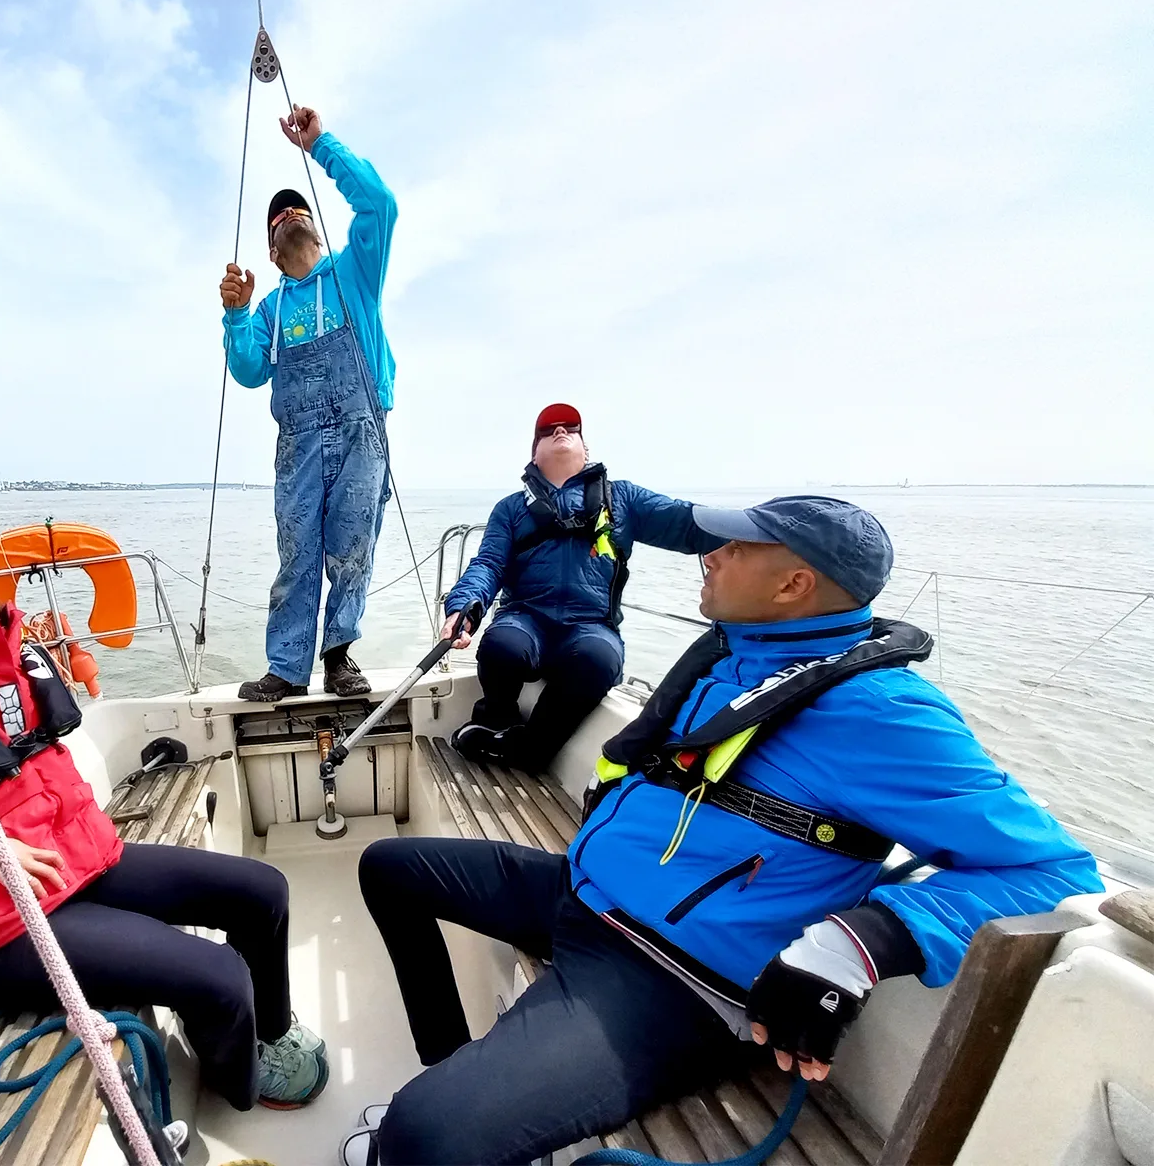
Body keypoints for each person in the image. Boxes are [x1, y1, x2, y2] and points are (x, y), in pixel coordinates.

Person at [350, 497, 1102, 1164]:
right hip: (585, 895)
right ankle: (450, 1064)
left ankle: (452, 1111)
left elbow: (1055, 874)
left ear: (794, 584)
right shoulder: (739, 655)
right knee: (389, 867)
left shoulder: (881, 712)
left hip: (669, 977)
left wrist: (864, 939)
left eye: (737, 547)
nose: (710, 553)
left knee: (422, 1136)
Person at [0, 558, 328, 1112]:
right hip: (3, 922)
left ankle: (270, 1035)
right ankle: (244, 1085)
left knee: (262, 891)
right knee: (220, 975)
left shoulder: (21, 663)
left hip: (84, 863)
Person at [219, 103, 398, 703]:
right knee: (296, 551)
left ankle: (339, 655)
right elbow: (247, 370)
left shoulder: (355, 273)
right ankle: (286, 667)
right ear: (272, 251)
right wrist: (237, 311)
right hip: (296, 440)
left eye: (297, 210)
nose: (288, 217)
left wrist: (320, 144)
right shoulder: (270, 307)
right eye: (276, 219)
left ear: (316, 228)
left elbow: (380, 205)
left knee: (352, 546)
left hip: (360, 431)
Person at [440, 403, 722, 774]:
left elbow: (688, 523)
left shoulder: (624, 499)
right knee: (500, 646)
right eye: (548, 430)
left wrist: (757, 532)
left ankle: (530, 749)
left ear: (585, 449)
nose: (560, 431)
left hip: (591, 624)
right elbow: (488, 564)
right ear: (534, 454)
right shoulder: (510, 509)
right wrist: (466, 605)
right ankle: (495, 720)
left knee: (599, 659)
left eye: (571, 428)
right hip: (525, 617)